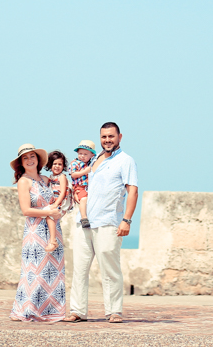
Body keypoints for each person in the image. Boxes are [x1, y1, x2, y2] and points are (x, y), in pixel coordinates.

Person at [62, 122, 138, 324]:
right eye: (104, 137)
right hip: (83, 222)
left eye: (111, 136)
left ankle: (114, 311)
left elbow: (133, 191)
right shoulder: (94, 159)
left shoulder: (125, 161)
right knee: (79, 269)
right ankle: (78, 311)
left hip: (108, 222)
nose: (107, 140)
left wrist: (126, 220)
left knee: (110, 269)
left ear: (120, 137)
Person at [8, 144, 66, 322]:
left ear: (38, 160)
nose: (29, 160)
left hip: (53, 231)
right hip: (35, 232)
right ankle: (28, 309)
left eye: (32, 156)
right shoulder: (23, 181)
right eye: (25, 158)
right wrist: (48, 212)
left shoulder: (46, 180)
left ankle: (51, 310)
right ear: (21, 163)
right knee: (34, 272)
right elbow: (26, 210)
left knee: (53, 272)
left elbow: (61, 195)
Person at [44, 150, 72, 252]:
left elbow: (63, 192)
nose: (57, 166)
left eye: (60, 164)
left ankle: (53, 241)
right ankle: (52, 240)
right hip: (56, 203)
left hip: (62, 203)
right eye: (54, 164)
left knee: (49, 215)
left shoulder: (62, 177)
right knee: (48, 216)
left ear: (63, 166)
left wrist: (55, 204)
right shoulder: (51, 178)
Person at [68, 140, 97, 228]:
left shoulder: (90, 163)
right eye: (80, 153)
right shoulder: (75, 163)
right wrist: (85, 171)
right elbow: (73, 174)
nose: (82, 156)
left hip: (88, 186)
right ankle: (83, 217)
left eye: (85, 154)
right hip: (79, 186)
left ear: (92, 155)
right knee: (83, 199)